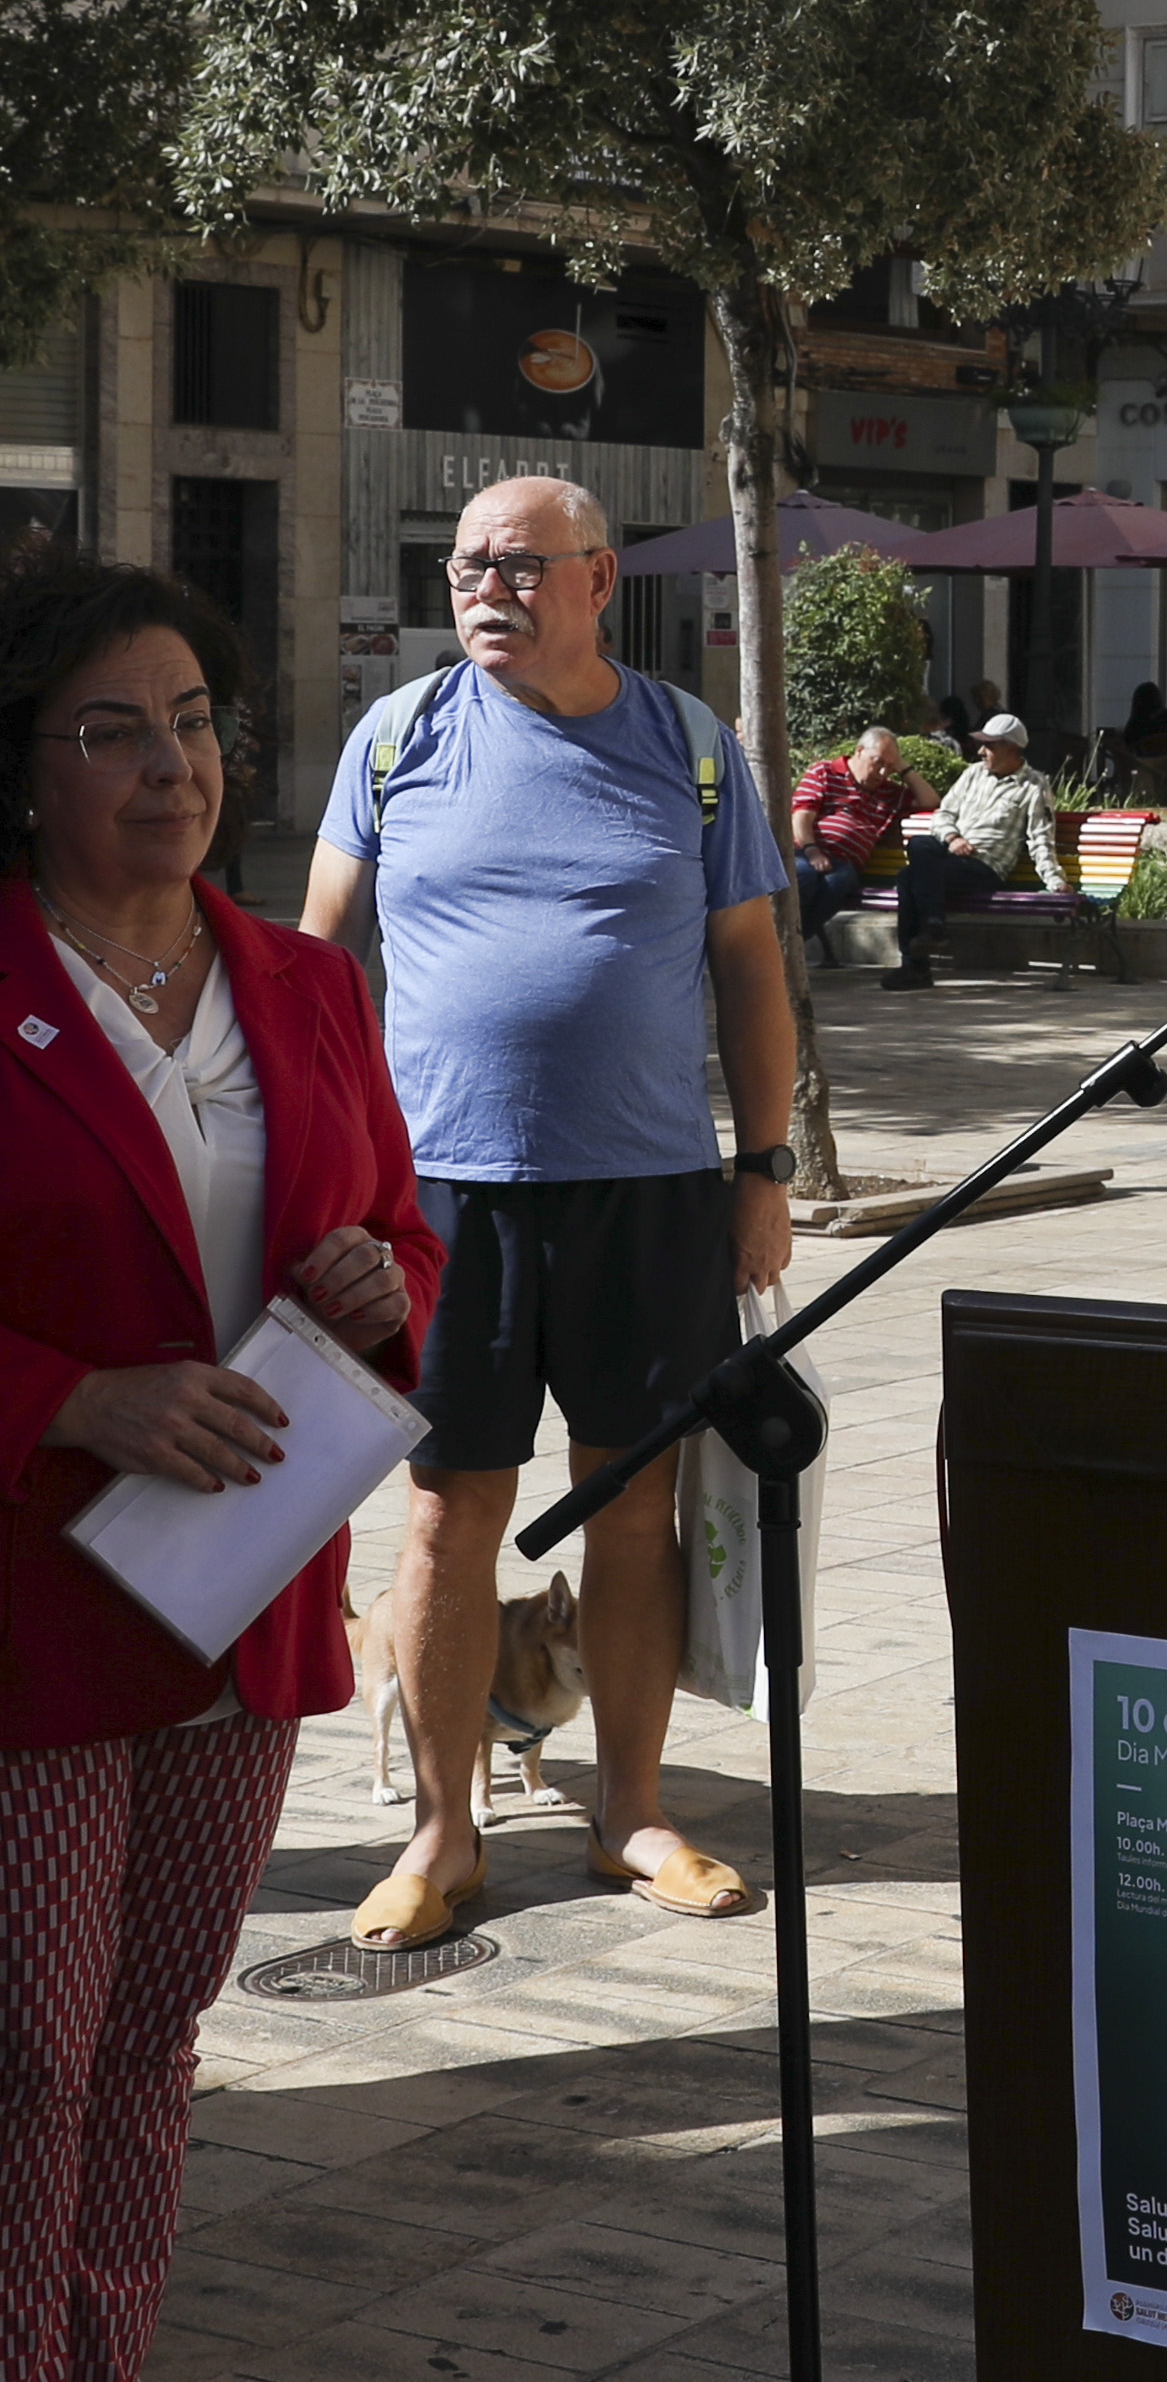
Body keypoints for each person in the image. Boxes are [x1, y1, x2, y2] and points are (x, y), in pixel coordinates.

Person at [1, 536, 437, 2382]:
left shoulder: (302, 984)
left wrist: (375, 1290)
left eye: (191, 722)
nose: (167, 768)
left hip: (247, 1594)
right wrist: (77, 1394)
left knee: (155, 2040)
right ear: (28, 769)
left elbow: (400, 1243)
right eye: (110, 731)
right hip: (34, 1615)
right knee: (20, 2050)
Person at [307, 476, 797, 1950]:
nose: (482, 589)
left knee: (634, 1509)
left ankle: (629, 1807)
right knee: (450, 1511)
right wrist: (319, 1184)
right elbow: (316, 976)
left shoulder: (690, 749)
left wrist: (763, 1170)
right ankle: (443, 1831)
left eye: (516, 566)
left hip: (648, 1192)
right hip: (438, 1196)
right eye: (461, 565)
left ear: (597, 578)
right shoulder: (395, 739)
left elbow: (752, 969)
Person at [783, 724, 956, 970]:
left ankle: (787, 946)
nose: (883, 772)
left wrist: (903, 767)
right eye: (878, 762)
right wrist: (812, 850)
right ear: (859, 751)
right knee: (805, 877)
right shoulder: (825, 771)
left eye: (890, 766)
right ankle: (776, 943)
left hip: (844, 865)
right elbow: (801, 817)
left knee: (838, 883)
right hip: (805, 850)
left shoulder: (889, 792)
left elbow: (931, 801)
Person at [917, 712, 1069, 990]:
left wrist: (1055, 880)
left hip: (985, 866)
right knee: (918, 848)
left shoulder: (1034, 785)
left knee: (910, 877)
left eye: (990, 745)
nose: (981, 751)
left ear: (1011, 748)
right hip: (951, 857)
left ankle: (914, 965)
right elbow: (943, 814)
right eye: (981, 744)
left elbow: (1040, 838)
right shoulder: (973, 774)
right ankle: (933, 924)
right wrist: (952, 838)